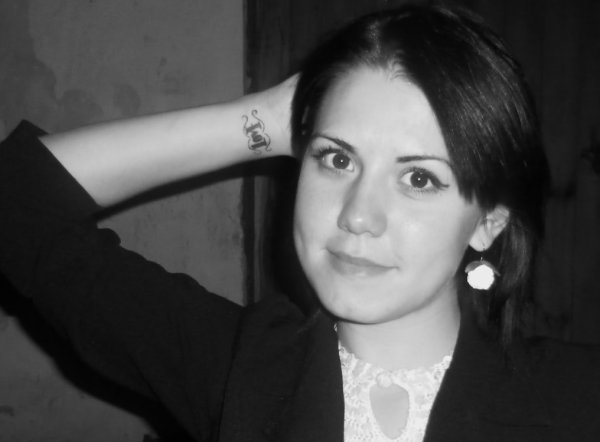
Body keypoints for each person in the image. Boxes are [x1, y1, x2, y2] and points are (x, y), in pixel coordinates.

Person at [1, 3, 599, 442]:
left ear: (488, 222)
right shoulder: (238, 370)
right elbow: (16, 201)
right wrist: (262, 120)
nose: (357, 215)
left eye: (419, 178)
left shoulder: (578, 397)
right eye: (336, 159)